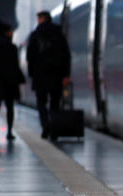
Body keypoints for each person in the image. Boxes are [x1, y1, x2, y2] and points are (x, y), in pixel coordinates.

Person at [25, 11, 70, 139]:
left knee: (41, 103)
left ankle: (46, 126)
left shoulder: (34, 35)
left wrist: (32, 75)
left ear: (41, 19)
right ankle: (54, 130)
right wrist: (66, 75)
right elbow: (66, 55)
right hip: (57, 75)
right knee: (55, 104)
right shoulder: (58, 32)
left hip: (40, 77)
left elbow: (30, 57)